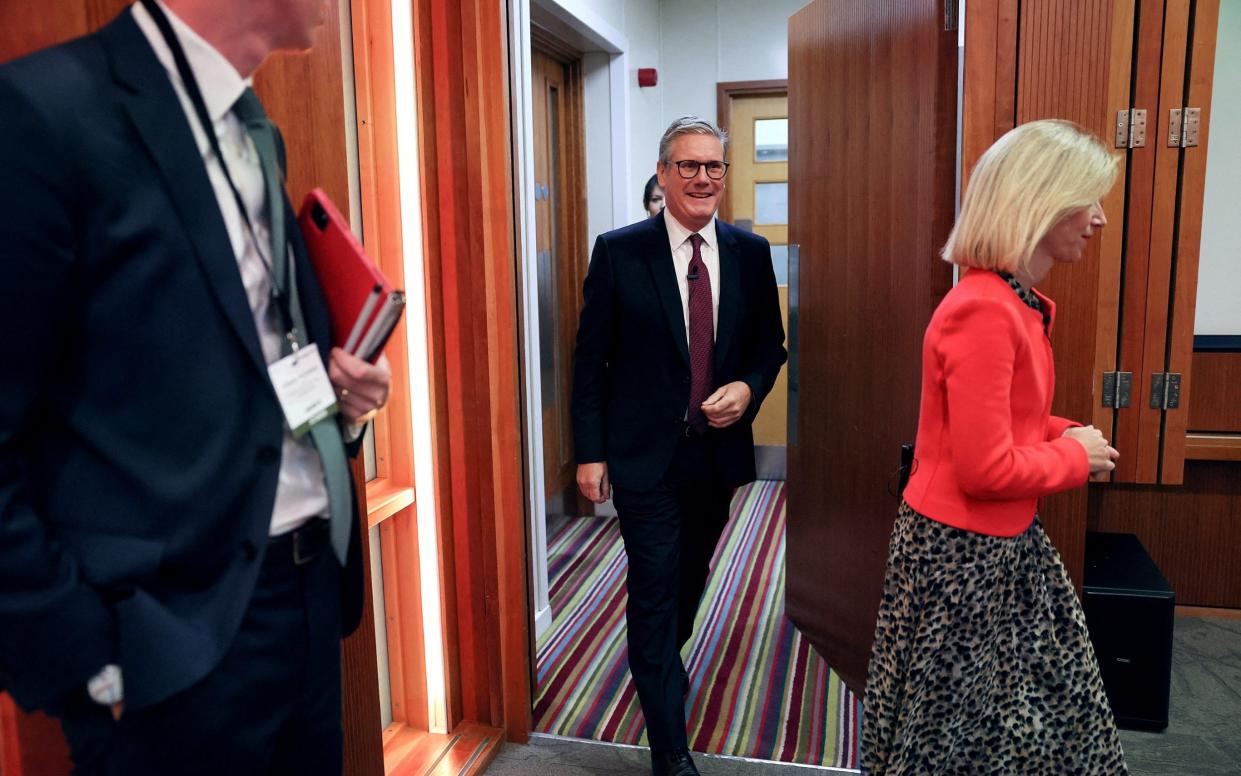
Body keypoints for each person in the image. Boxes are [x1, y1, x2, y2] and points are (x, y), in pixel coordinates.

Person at [0, 0, 390, 772]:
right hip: (164, 642)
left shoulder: (254, 130)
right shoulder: (42, 113)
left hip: (310, 602)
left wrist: (340, 413)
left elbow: (242, 363)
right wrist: (82, 654)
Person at [860, 119, 1128, 775]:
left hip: (992, 546)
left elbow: (998, 423)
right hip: (961, 555)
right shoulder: (984, 307)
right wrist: (1076, 458)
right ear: (1038, 201)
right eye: (1086, 201)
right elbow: (984, 467)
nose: (1096, 219)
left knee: (1016, 718)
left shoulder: (1013, 301)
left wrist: (1059, 431)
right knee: (952, 735)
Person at [572, 116, 787, 776]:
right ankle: (669, 746)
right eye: (687, 166)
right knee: (654, 586)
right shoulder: (619, 251)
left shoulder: (748, 254)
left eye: (713, 167)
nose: (702, 178)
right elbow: (590, 361)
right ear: (662, 175)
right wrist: (589, 451)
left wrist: (748, 390)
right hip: (641, 457)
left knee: (690, 577)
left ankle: (663, 657)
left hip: (714, 457)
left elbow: (767, 348)